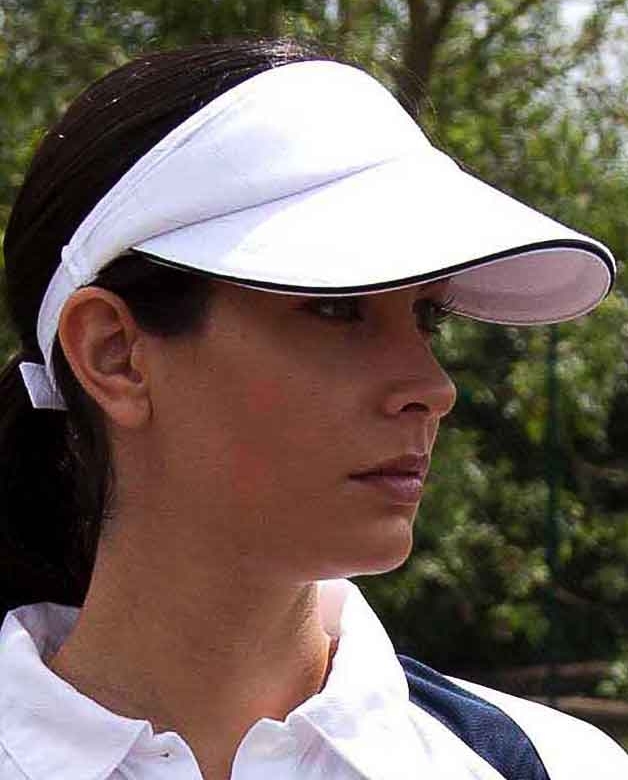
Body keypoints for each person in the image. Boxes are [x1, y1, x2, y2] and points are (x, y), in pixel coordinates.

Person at [0, 38, 625, 780]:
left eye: (426, 317)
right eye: (335, 307)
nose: (434, 387)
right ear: (114, 354)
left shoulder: (553, 765)